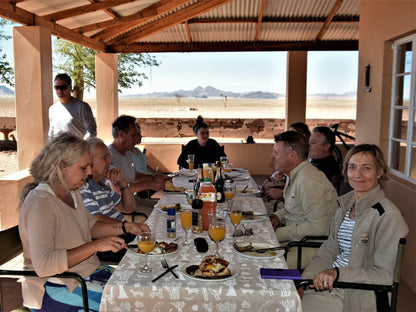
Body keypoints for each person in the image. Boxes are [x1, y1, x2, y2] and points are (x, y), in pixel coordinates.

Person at [18, 132, 150, 311]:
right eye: (84, 168)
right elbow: (45, 265)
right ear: (62, 166)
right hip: (56, 286)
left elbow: (91, 226)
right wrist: (96, 246)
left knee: (144, 288)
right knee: (133, 304)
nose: (89, 173)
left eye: (89, 167)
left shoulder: (72, 192)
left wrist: (126, 226)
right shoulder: (41, 202)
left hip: (85, 274)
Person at [300, 144, 409, 312]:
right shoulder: (345, 207)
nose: (358, 174)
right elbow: (328, 251)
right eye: (352, 167)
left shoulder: (387, 216)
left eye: (366, 168)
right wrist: (305, 281)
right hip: (328, 286)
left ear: (379, 172)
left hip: (356, 296)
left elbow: (385, 276)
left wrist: (338, 273)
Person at [269, 131, 338, 269]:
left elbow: (317, 228)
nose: (272, 156)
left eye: (276, 153)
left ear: (292, 155)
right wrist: (277, 215)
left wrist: (276, 234)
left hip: (311, 247)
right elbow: (296, 206)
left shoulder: (308, 181)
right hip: (297, 241)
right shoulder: (296, 174)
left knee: (260, 265)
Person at [81, 137, 140, 262]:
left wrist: (123, 183)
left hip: (122, 234)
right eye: (105, 157)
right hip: (109, 244)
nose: (110, 161)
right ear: (89, 161)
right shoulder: (84, 188)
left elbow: (129, 208)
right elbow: (98, 220)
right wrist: (126, 227)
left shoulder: (102, 185)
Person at [108, 115, 166, 216]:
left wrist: (154, 177)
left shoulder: (127, 152)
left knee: (168, 206)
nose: (136, 140)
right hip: (120, 209)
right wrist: (148, 185)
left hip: (132, 201)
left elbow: (135, 176)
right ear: (121, 134)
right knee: (163, 215)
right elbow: (117, 189)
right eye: (132, 136)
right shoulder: (109, 156)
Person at [261, 122, 311, 210]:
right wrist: (276, 217)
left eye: (276, 153)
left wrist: (282, 193)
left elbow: (316, 221)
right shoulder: (293, 171)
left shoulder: (307, 179)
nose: (271, 156)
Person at [48, 73, 97, 140]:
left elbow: (92, 130)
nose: (60, 91)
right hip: (59, 150)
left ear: (70, 88)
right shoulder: (52, 109)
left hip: (78, 149)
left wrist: (83, 145)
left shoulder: (82, 107)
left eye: (63, 88)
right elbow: (51, 134)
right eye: (57, 88)